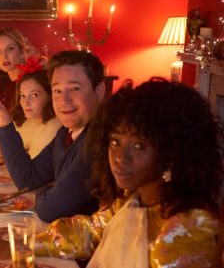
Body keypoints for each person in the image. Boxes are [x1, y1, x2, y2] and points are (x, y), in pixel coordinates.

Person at [34, 79, 223, 266]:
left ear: (172, 152)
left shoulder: (190, 229)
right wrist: (21, 243)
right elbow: (87, 233)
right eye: (116, 142)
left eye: (139, 145)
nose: (120, 157)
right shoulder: (133, 199)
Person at [0, 50, 105, 222]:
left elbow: (50, 209)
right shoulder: (65, 134)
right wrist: (4, 126)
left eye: (75, 89)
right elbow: (29, 179)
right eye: (58, 91)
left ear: (99, 91)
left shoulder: (99, 141)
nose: (63, 100)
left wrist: (46, 192)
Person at [10, 65, 61, 158]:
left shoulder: (53, 127)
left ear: (50, 96)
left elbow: (28, 167)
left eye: (34, 95)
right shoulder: (28, 120)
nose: (26, 102)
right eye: (22, 96)